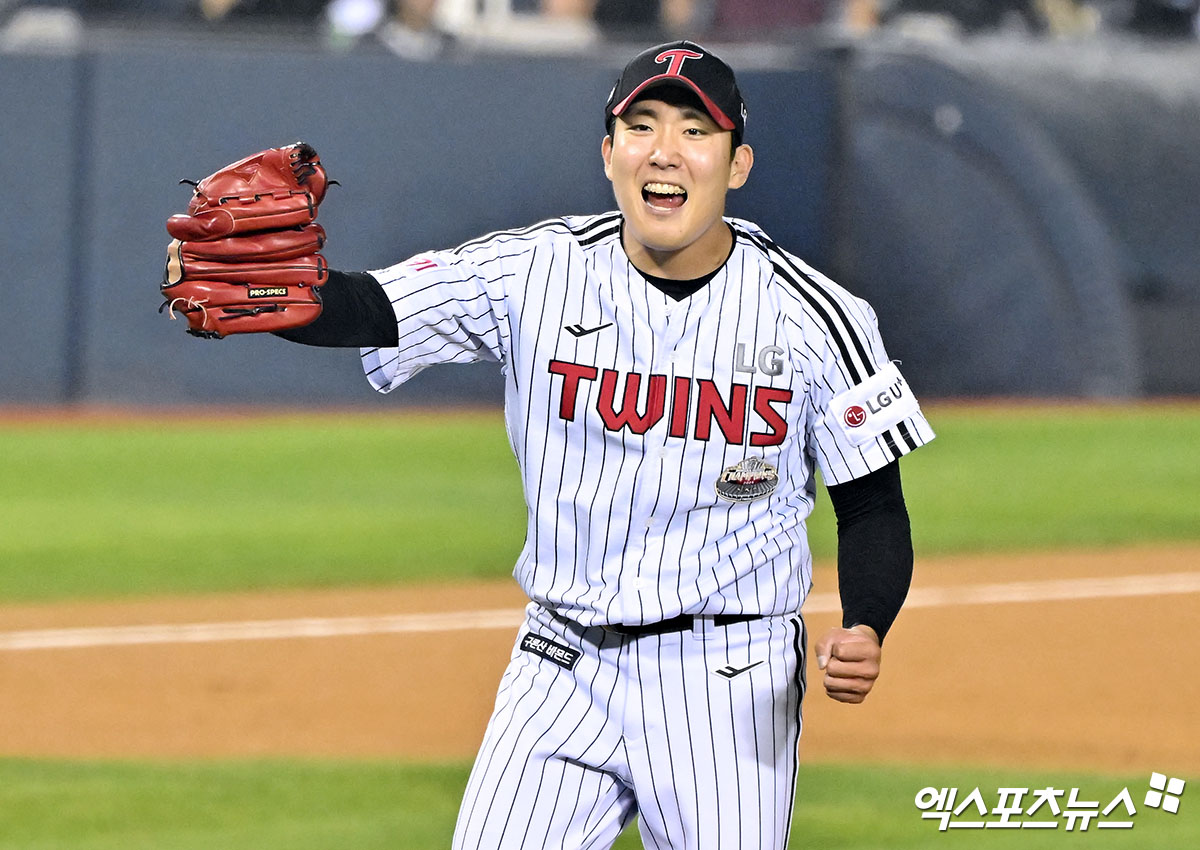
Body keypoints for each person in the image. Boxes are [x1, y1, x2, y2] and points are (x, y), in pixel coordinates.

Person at [166, 41, 935, 849]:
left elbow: (873, 502)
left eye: (693, 132)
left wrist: (867, 622)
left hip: (729, 678)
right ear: (609, 154)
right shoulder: (534, 269)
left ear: (737, 166)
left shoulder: (820, 314)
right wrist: (281, 292)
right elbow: (369, 308)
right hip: (558, 663)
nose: (663, 151)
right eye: (639, 126)